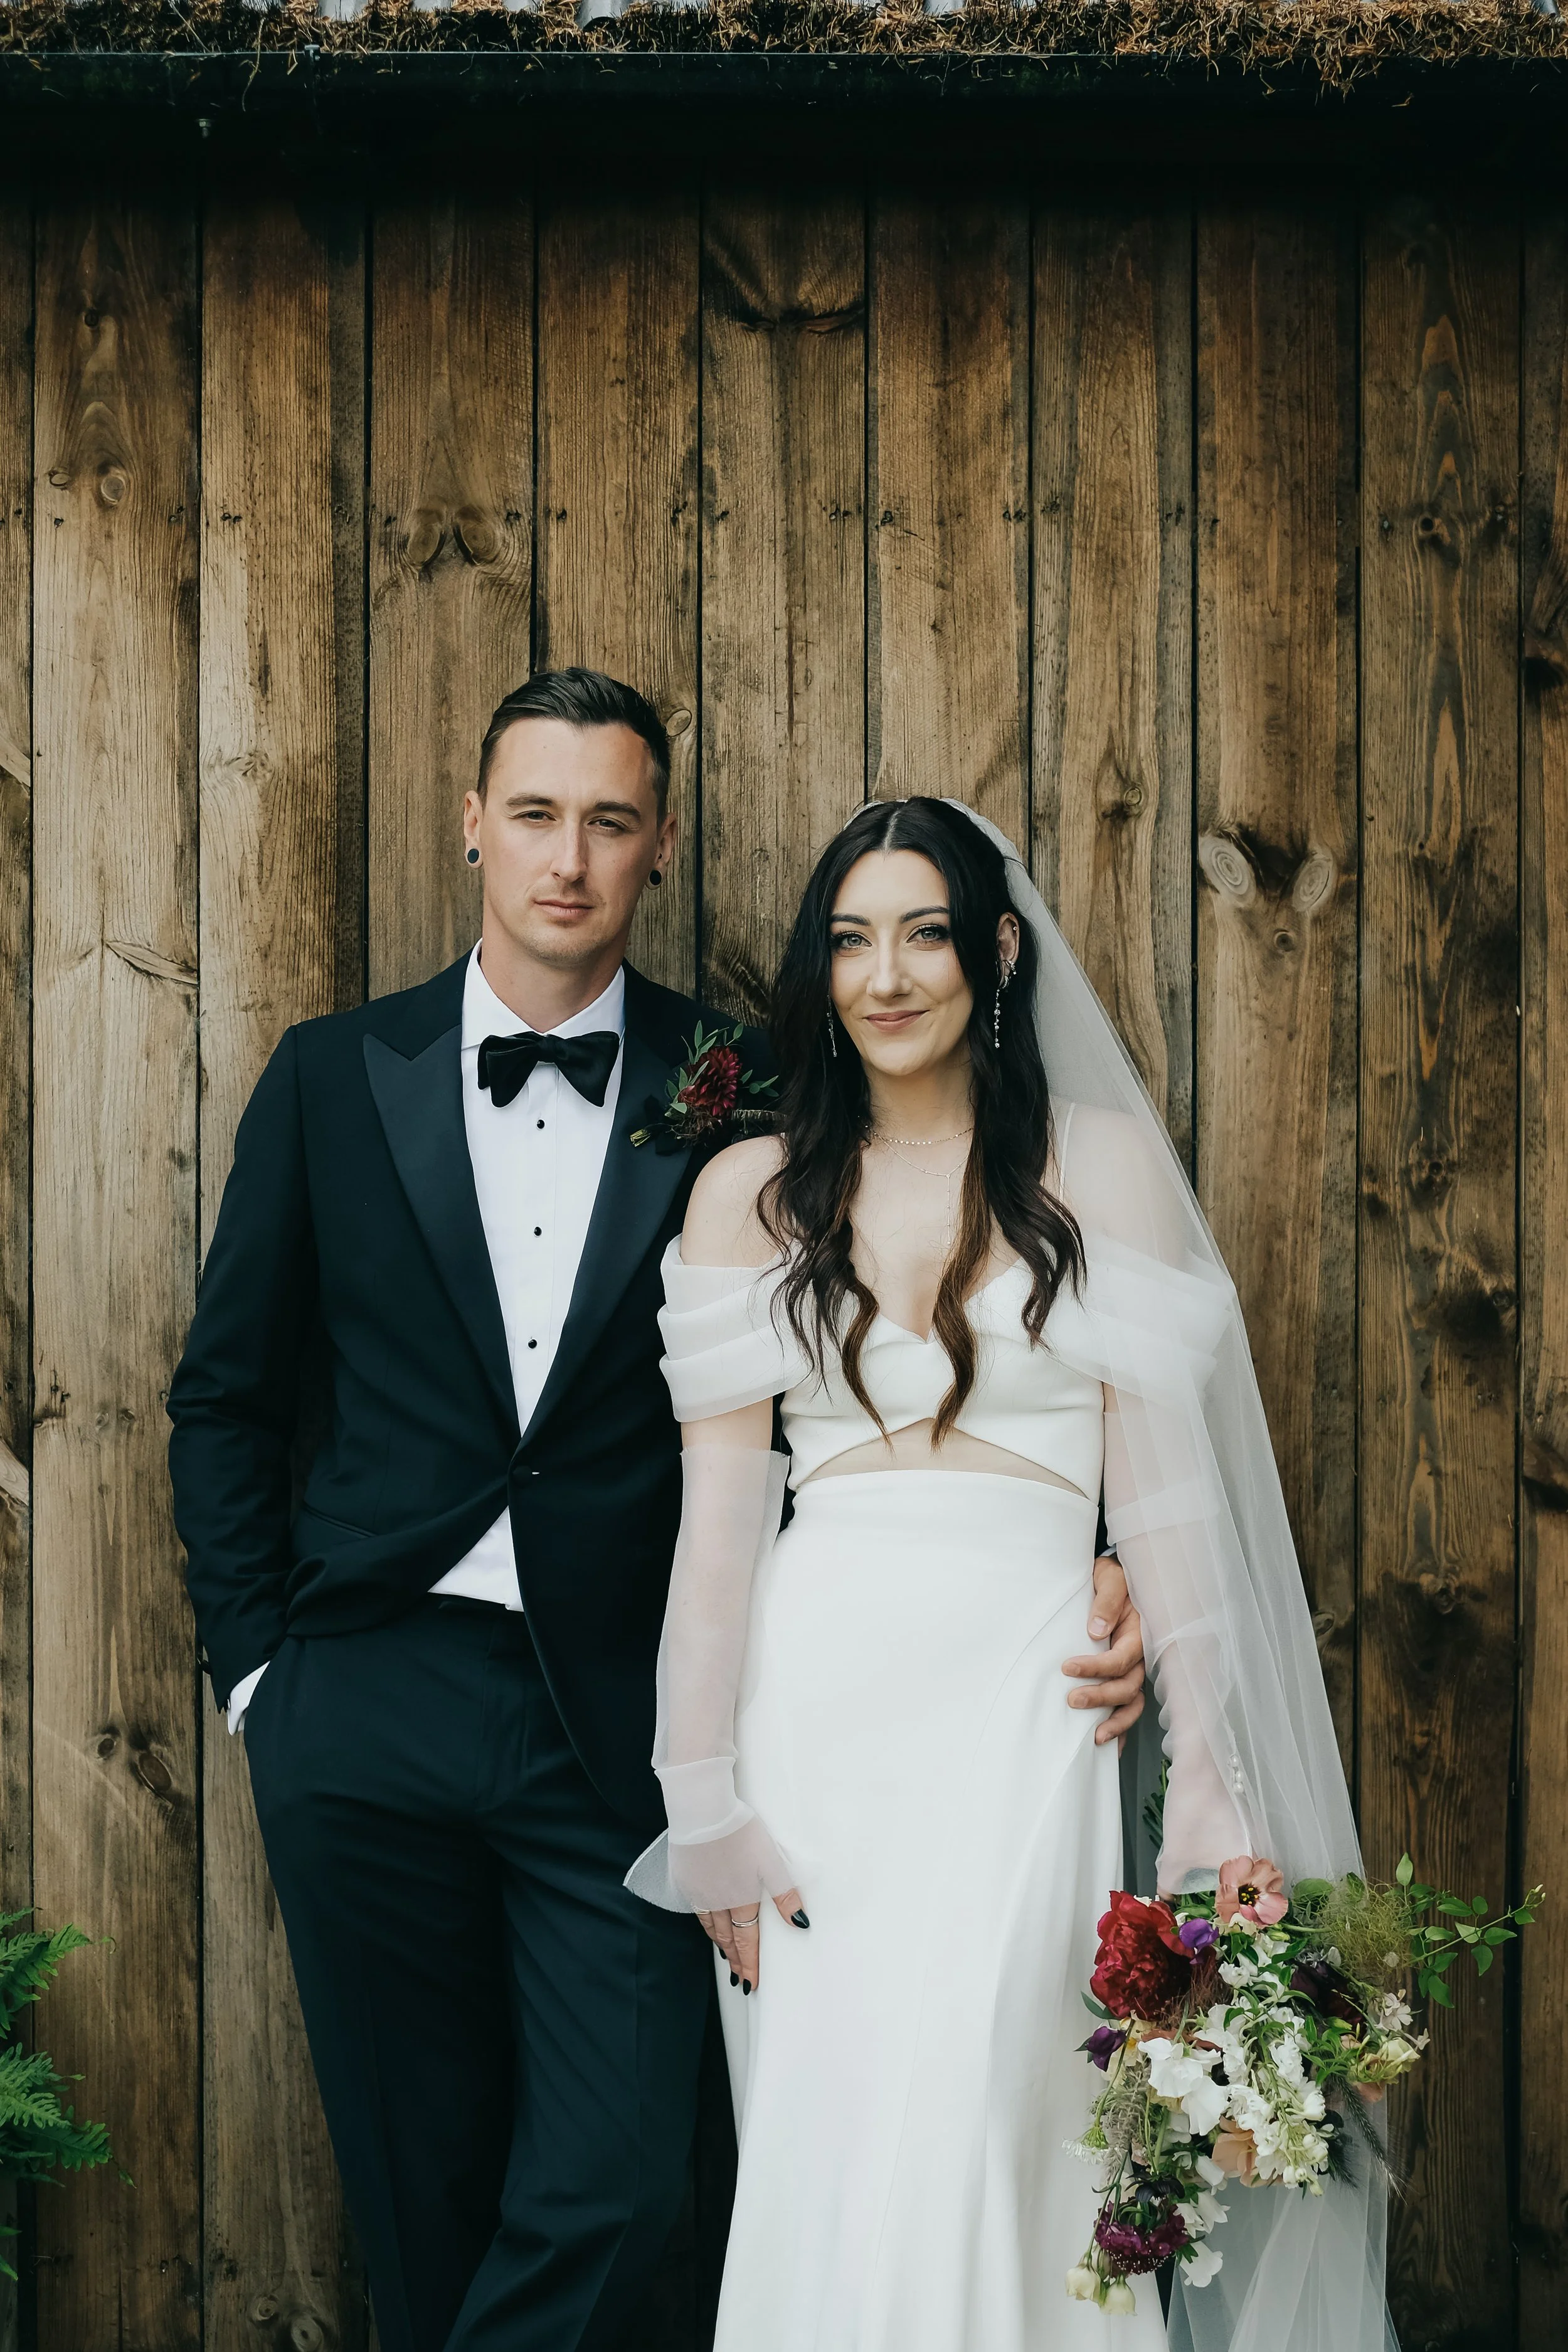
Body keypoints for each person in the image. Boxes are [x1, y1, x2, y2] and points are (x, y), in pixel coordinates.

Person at [167, 677, 1148, 2352]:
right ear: (473, 821)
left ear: (659, 845)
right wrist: (265, 1677)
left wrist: (1103, 1551)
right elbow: (228, 1394)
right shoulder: (335, 1076)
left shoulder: (758, 1085)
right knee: (416, 2177)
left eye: (610, 821)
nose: (568, 858)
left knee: (622, 2178)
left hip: (617, 1711)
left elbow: (928, 1320)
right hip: (363, 1689)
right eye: (534, 813)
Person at [628, 797, 1394, 2352]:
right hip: (816, 1730)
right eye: (848, 939)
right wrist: (698, 1796)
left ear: (991, 951)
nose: (881, 976)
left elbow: (1164, 1495)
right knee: (828, 2152)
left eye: (919, 933)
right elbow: (715, 1533)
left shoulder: (1091, 1171)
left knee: (998, 2116)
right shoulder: (750, 1196)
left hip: (1027, 1710)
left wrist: (1209, 1781)